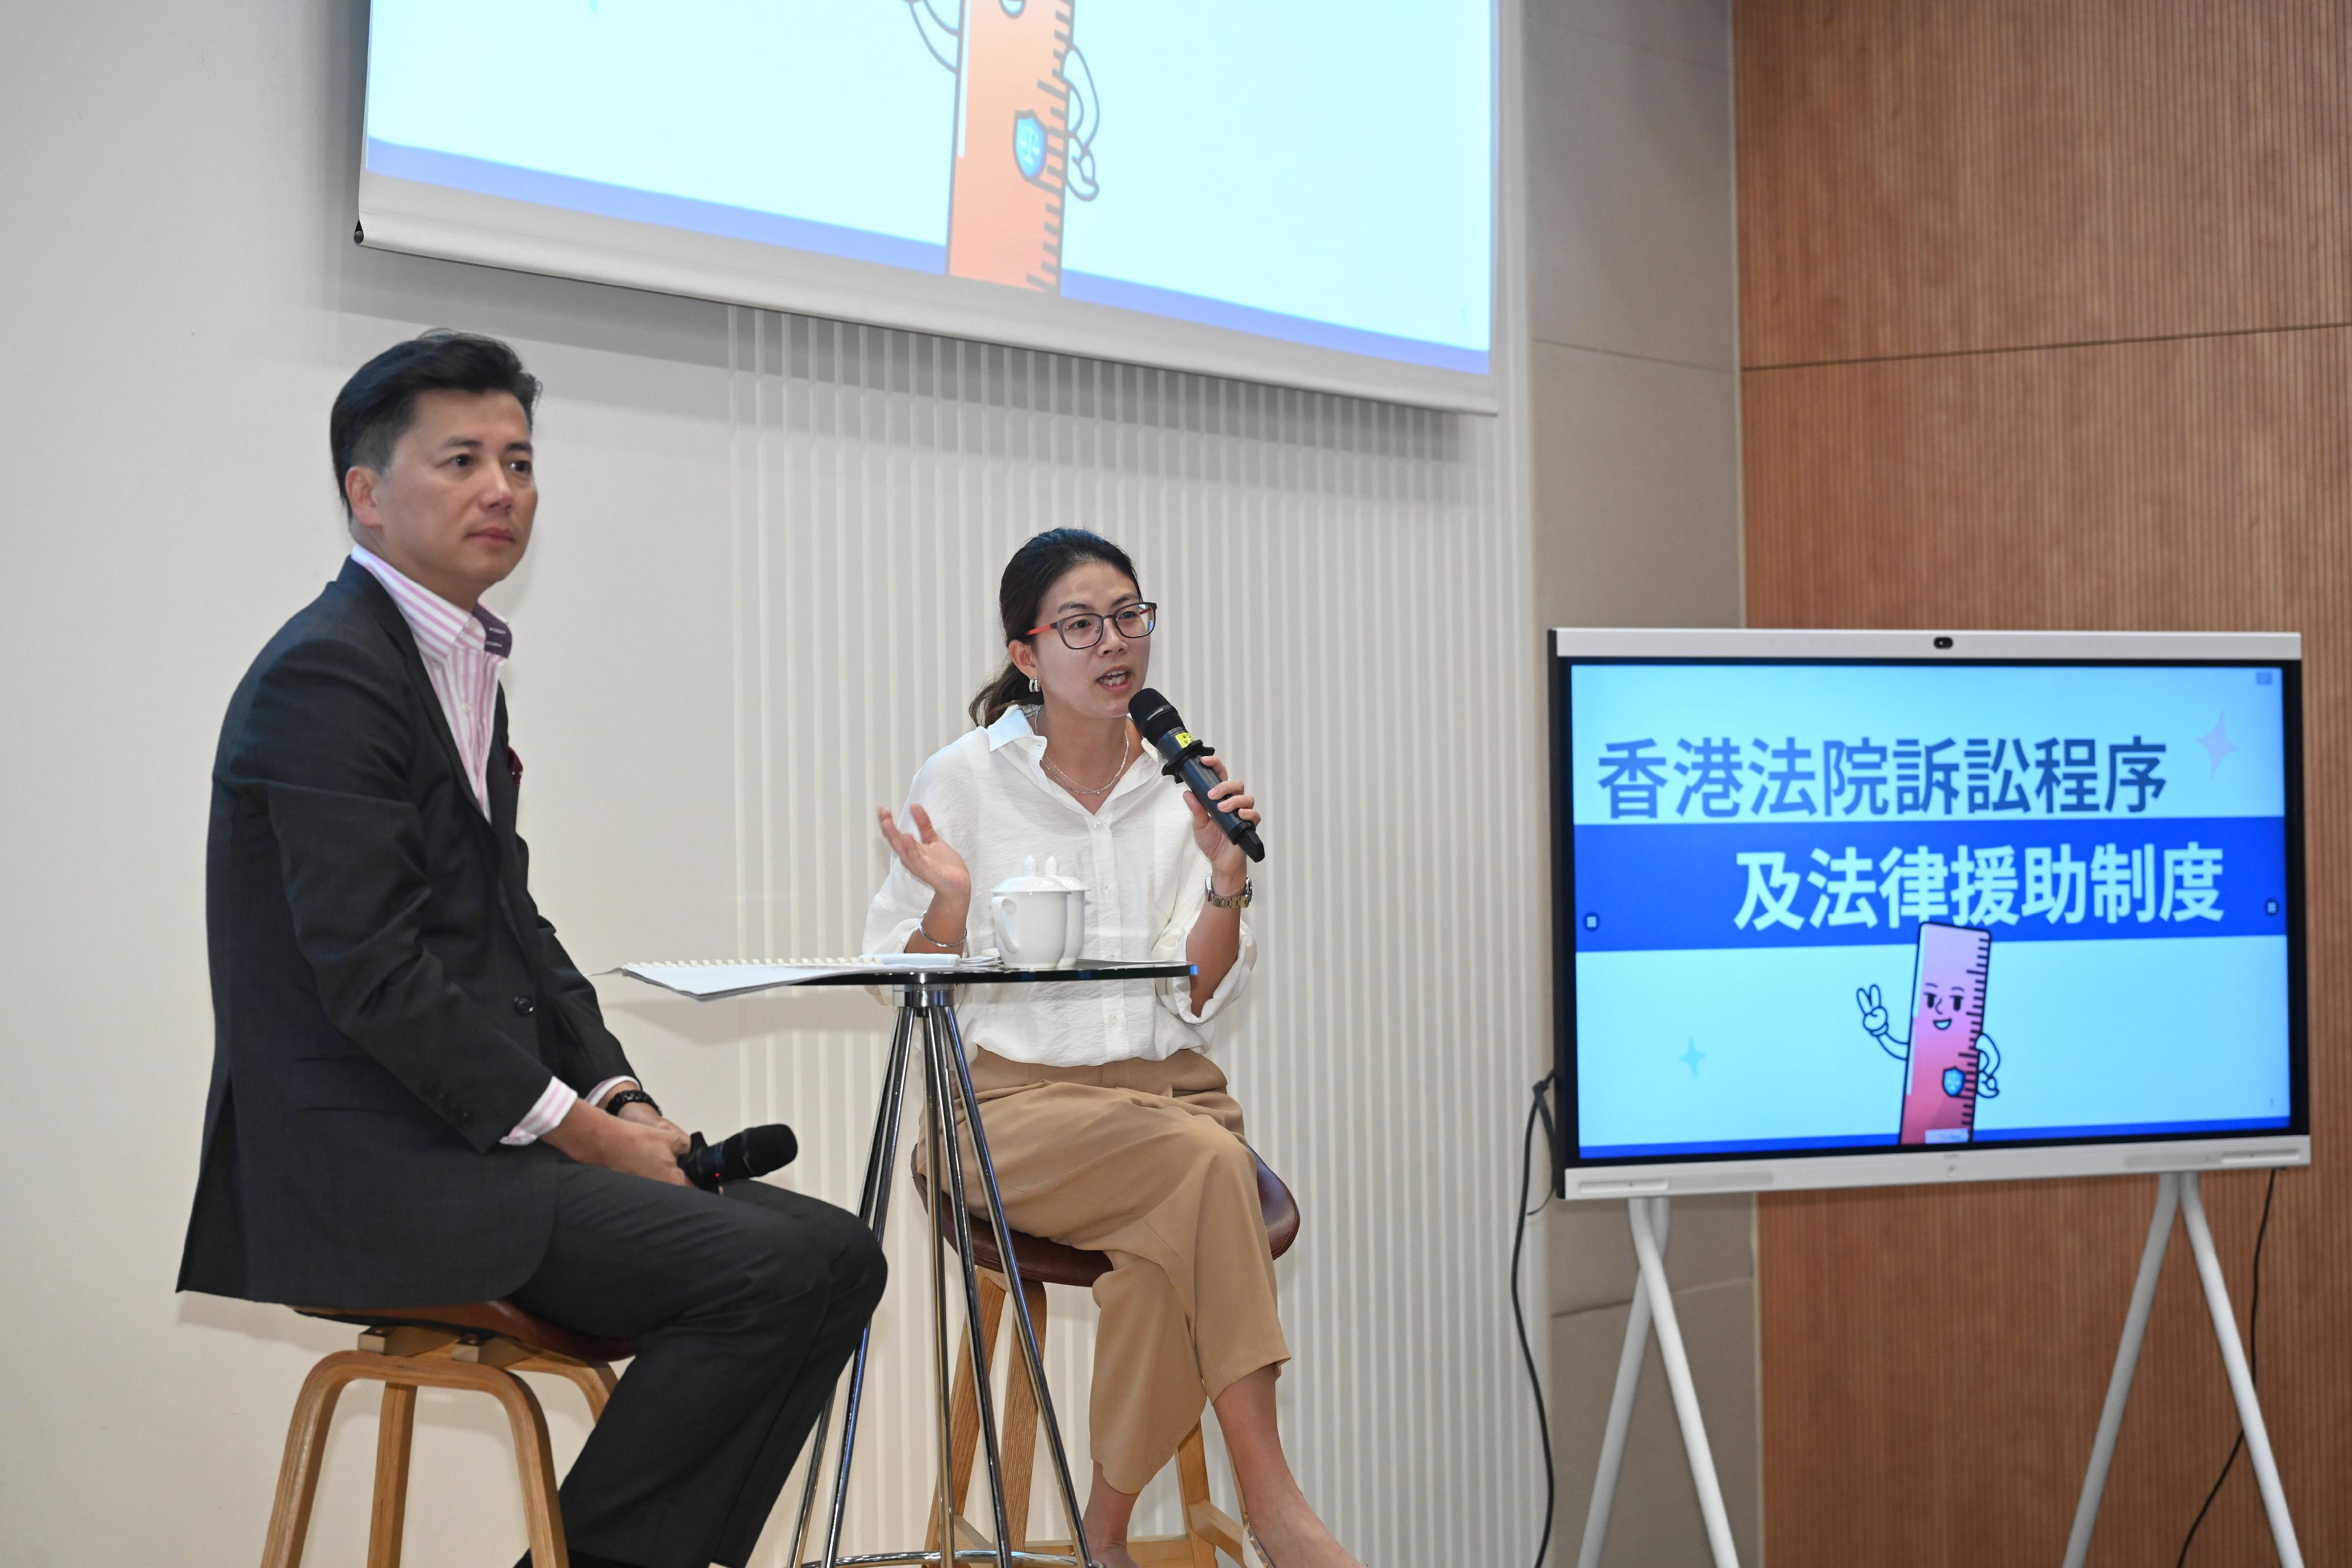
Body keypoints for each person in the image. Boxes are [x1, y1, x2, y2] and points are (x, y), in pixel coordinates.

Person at [179, 330, 885, 1568]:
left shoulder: (453, 661)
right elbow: (372, 971)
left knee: (834, 1252)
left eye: (517, 457)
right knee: (765, 1272)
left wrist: (621, 1092)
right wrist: (578, 1129)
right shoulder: (327, 675)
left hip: (468, 1146)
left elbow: (515, 923)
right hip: (370, 1167)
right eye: (460, 459)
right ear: (367, 491)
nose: (501, 487)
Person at [866, 530, 1364, 1568]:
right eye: (1080, 625)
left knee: (1160, 1255)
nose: (1114, 644)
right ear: (1026, 655)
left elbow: (1201, 995)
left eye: (1130, 617)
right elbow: (897, 983)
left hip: (1167, 1102)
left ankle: (1102, 1540)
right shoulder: (963, 780)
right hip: (1006, 1116)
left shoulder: (1180, 786)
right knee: (1207, 1171)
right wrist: (950, 905)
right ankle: (1278, 1508)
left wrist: (1227, 873)